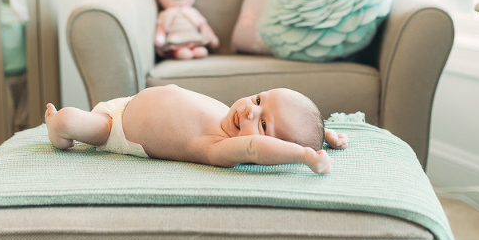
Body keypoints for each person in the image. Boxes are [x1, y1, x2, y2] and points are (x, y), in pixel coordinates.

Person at [45, 84, 348, 174]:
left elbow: (254, 148)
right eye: (258, 99)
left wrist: (306, 155)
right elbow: (295, 125)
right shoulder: (233, 118)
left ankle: (57, 130)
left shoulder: (218, 147)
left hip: (117, 129)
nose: (249, 109)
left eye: (264, 123)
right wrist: (325, 136)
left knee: (72, 119)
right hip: (126, 100)